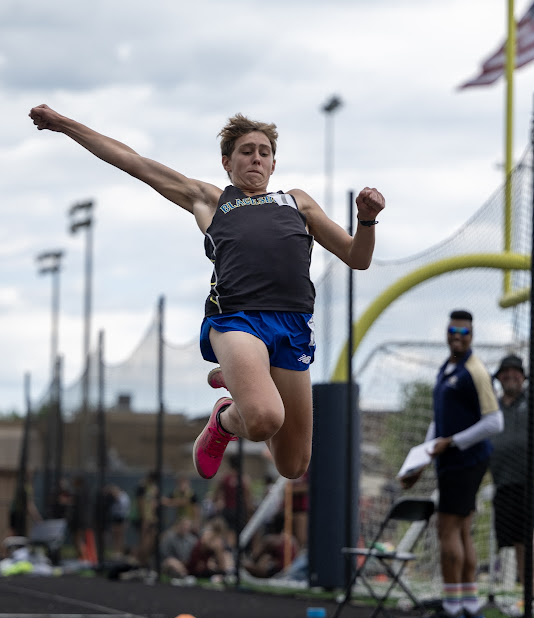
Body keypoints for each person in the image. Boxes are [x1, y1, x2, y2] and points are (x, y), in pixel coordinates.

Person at [29, 104, 385, 482]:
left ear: (273, 165)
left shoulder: (297, 202)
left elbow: (356, 257)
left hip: (293, 325)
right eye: (247, 151)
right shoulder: (212, 201)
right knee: (264, 418)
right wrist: (65, 125)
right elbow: (135, 163)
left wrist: (366, 220)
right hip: (236, 320)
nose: (256, 159)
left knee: (293, 465)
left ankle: (236, 396)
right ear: (227, 162)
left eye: (265, 153)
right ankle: (224, 420)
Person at [402, 310, 503, 618]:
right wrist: (425, 455)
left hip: (466, 461)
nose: (458, 335)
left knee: (446, 529)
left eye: (465, 331)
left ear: (472, 336)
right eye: (453, 330)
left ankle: (451, 609)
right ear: (446, 332)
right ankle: (470, 606)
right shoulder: (448, 369)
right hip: (451, 460)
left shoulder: (475, 370)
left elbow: (494, 422)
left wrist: (452, 443)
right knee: (460, 530)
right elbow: (439, 420)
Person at [490, 354, 532, 586]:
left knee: (530, 538)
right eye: (505, 371)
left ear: (523, 376)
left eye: (515, 371)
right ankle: (529, 598)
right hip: (504, 482)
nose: (510, 375)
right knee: (517, 540)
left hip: (530, 481)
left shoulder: (530, 400)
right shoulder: (492, 407)